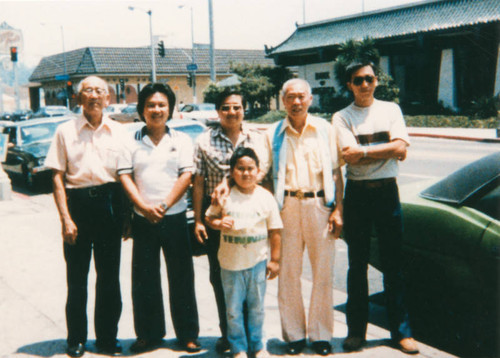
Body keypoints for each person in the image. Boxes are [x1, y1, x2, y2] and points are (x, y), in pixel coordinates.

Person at [332, 61, 419, 354]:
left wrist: (365, 150)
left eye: (369, 78)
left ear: (376, 81)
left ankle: (401, 333)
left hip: (387, 194)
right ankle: (356, 332)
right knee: (357, 265)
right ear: (349, 85)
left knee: (394, 265)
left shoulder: (390, 110)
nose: (365, 85)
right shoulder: (342, 117)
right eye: (358, 80)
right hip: (358, 196)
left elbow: (401, 148)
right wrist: (385, 149)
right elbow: (349, 156)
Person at [46, 76, 126, 357]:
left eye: (99, 91)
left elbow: (126, 177)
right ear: (78, 98)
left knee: (109, 278)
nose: (93, 95)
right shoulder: (64, 132)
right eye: (87, 91)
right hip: (77, 206)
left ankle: (106, 339)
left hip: (109, 206)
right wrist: (65, 219)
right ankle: (76, 339)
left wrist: (125, 217)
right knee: (77, 278)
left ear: (108, 98)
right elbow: (57, 177)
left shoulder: (119, 131)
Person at [117, 83, 200, 353]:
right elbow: (124, 176)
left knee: (182, 278)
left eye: (162, 105)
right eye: (151, 105)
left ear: (171, 109)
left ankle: (187, 334)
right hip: (143, 220)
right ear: (141, 109)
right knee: (144, 279)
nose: (156, 110)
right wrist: (142, 206)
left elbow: (186, 175)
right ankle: (148, 334)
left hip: (174, 218)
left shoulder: (182, 140)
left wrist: (163, 205)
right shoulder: (129, 140)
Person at [265, 78, 344, 356]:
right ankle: (294, 336)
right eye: (290, 97)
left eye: (301, 97)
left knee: (323, 271)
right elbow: (265, 175)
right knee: (288, 273)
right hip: (285, 206)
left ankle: (321, 335)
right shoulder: (273, 133)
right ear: (283, 100)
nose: (296, 102)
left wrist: (337, 210)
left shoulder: (325, 129)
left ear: (310, 99)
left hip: (319, 205)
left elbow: (336, 172)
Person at [192, 88, 268, 352]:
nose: (231, 112)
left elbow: (262, 172)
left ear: (244, 109)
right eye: (226, 107)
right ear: (218, 111)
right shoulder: (204, 140)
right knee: (222, 280)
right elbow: (199, 182)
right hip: (218, 223)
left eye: (237, 106)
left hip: (250, 222)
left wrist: (227, 180)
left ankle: (251, 336)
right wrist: (200, 220)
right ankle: (229, 334)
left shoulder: (257, 139)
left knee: (251, 281)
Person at [205, 147, 282, 358]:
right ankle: (238, 347)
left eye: (250, 169)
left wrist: (275, 260)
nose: (246, 173)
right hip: (230, 265)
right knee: (233, 309)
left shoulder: (265, 197)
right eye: (240, 169)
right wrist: (219, 223)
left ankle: (257, 345)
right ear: (232, 172)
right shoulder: (225, 195)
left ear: (258, 171)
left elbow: (275, 230)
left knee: (257, 308)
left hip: (257, 262)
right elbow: (209, 218)